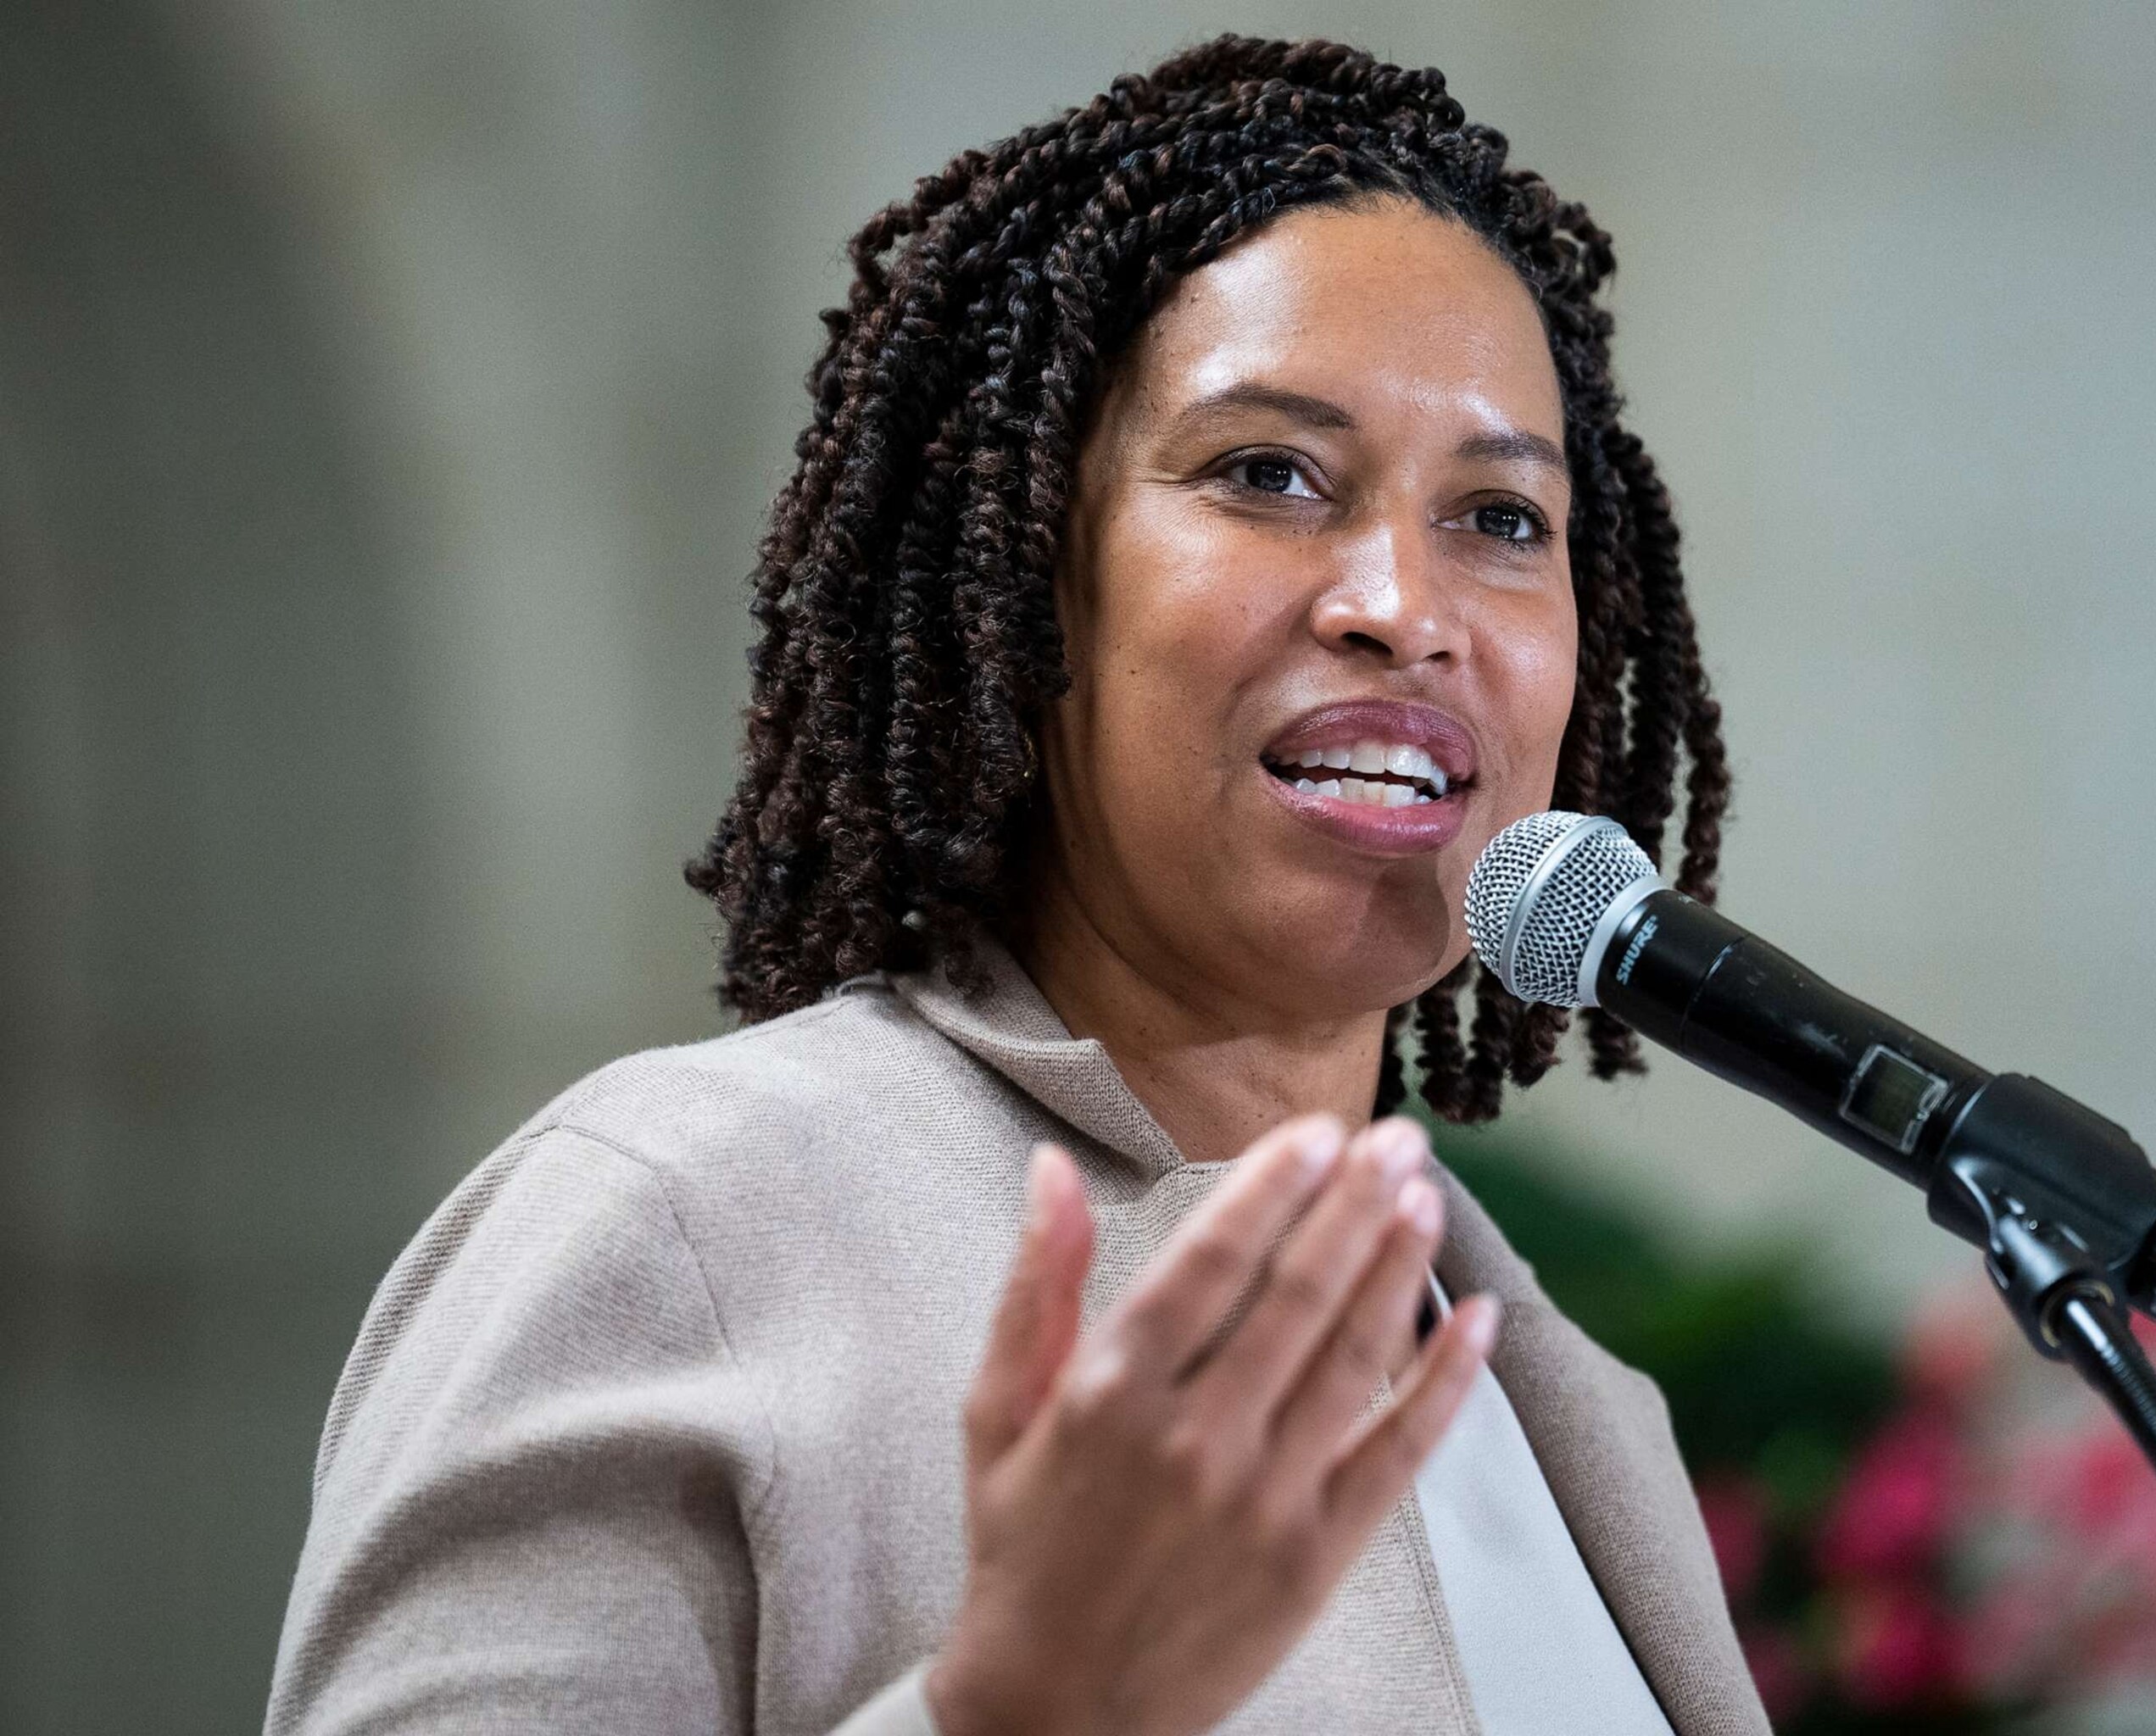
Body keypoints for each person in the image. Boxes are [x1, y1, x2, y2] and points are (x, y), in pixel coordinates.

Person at [266, 34, 1766, 1736]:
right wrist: (1016, 1707)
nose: (1403, 604)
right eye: (1270, 474)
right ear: (1027, 584)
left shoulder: (1569, 1406)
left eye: (1501, 516)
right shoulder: (675, 1228)